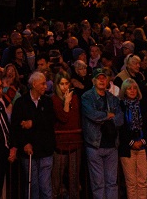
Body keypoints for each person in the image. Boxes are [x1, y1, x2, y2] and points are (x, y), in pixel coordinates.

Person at [11, 72, 56, 199]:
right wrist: (24, 144)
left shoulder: (47, 102)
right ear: (34, 84)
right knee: (32, 187)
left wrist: (33, 123)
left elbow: (50, 121)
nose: (45, 87)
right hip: (29, 152)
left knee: (46, 187)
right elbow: (16, 127)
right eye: (42, 84)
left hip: (45, 150)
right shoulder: (21, 102)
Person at [81, 68, 123, 199]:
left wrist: (107, 118)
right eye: (98, 78)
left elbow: (120, 118)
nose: (101, 80)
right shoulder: (86, 97)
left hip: (111, 145)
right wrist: (108, 115)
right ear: (93, 81)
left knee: (112, 183)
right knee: (98, 184)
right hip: (95, 145)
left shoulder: (113, 98)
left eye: (104, 78)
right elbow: (92, 115)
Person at [51, 71, 82, 199]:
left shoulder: (75, 98)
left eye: (66, 83)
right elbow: (63, 118)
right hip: (60, 145)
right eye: (61, 84)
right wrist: (66, 103)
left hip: (75, 143)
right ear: (57, 85)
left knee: (74, 179)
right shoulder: (54, 100)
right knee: (57, 179)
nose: (64, 87)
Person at [117, 79, 147, 199]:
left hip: (143, 146)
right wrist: (131, 142)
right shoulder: (120, 105)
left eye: (134, 88)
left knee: (142, 182)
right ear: (124, 91)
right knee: (131, 183)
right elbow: (121, 127)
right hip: (127, 148)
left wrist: (142, 141)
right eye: (129, 88)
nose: (132, 91)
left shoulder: (144, 104)